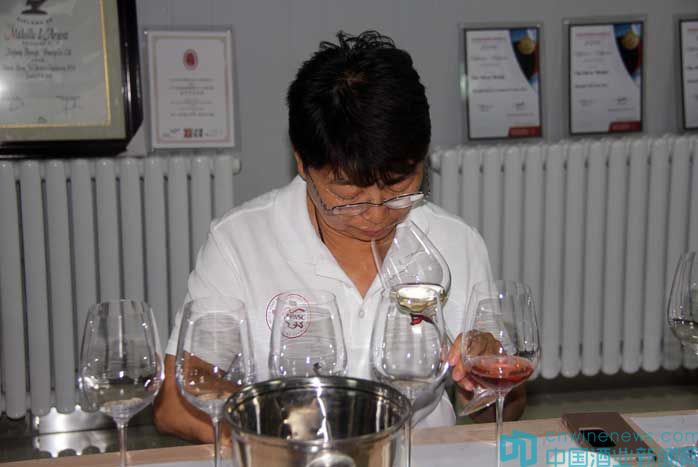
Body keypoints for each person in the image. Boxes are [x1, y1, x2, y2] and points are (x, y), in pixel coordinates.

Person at [153, 30, 525, 443]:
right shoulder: (241, 242)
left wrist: (488, 376)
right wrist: (279, 442)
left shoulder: (456, 242)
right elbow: (174, 402)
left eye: (399, 185)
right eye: (348, 194)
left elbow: (506, 408)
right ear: (302, 163)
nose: (377, 213)